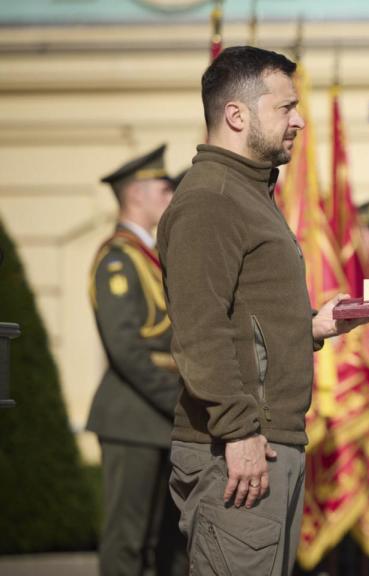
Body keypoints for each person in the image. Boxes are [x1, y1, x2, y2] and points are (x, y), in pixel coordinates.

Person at [157, 46, 365, 576]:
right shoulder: (212, 197)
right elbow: (199, 331)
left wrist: (311, 325)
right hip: (237, 450)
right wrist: (239, 432)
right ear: (236, 115)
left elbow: (241, 315)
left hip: (266, 442)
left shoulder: (247, 192)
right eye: (286, 108)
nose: (299, 120)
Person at [86, 143, 187, 576]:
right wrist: (177, 400)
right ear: (136, 195)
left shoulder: (153, 255)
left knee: (165, 545)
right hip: (133, 417)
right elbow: (127, 349)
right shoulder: (117, 260)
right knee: (127, 545)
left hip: (162, 419)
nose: (170, 197)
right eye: (162, 189)